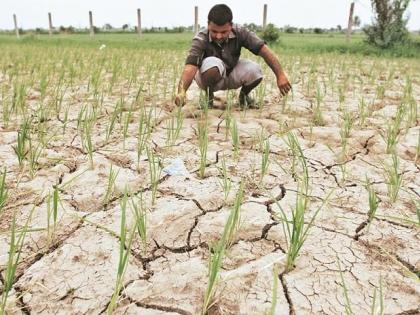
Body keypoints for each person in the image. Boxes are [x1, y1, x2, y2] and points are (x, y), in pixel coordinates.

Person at [175, 4, 291, 109]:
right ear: (208, 25)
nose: (219, 36)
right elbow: (190, 67)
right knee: (213, 64)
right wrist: (182, 91)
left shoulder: (240, 32)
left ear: (231, 25)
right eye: (214, 31)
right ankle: (208, 96)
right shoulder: (201, 38)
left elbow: (264, 51)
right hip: (208, 76)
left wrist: (280, 75)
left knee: (255, 70)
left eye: (223, 32)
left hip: (231, 72)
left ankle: (243, 97)